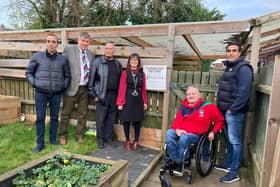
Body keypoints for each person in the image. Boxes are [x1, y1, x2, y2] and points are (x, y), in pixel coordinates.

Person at [26, 34, 71, 153]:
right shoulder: (37, 57)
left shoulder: (63, 59)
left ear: (57, 44)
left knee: (55, 118)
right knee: (40, 118)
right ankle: (40, 144)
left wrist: (63, 87)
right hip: (41, 93)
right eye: (49, 41)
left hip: (56, 94)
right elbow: (29, 72)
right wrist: (35, 83)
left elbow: (67, 76)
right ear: (46, 43)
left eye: (54, 42)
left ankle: (52, 140)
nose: (51, 44)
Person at [215, 41, 253, 184]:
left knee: (235, 141)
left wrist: (232, 109)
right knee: (229, 139)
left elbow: (244, 92)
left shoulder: (243, 68)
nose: (231, 53)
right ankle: (228, 163)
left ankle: (234, 172)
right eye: (229, 50)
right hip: (225, 111)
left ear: (239, 52)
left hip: (234, 113)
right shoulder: (230, 67)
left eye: (234, 50)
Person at [165, 86, 224, 172]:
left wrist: (213, 132)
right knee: (169, 133)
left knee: (184, 138)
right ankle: (176, 160)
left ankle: (178, 161)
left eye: (193, 94)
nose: (191, 96)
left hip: (196, 135)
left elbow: (220, 120)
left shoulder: (208, 107)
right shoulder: (183, 107)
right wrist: (177, 130)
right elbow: (176, 123)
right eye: (188, 94)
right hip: (182, 132)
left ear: (199, 95)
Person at [59, 32, 94, 144]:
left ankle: (79, 135)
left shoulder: (90, 54)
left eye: (87, 41)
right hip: (71, 87)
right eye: (83, 40)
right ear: (78, 40)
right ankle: (63, 136)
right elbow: (62, 66)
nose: (84, 43)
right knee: (66, 113)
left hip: (84, 89)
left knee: (83, 113)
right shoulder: (69, 49)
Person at [88, 42, 122, 149]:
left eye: (111, 48)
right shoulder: (97, 62)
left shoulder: (117, 64)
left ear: (114, 51)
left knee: (111, 118)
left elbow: (120, 80)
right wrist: (94, 96)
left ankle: (108, 137)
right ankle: (100, 139)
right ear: (104, 50)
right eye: (106, 48)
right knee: (101, 119)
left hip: (114, 95)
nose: (108, 50)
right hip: (102, 95)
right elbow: (91, 81)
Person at [116, 53, 148, 151]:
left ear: (138, 62)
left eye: (136, 60)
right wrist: (120, 103)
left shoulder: (142, 74)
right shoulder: (125, 73)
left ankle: (136, 140)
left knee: (137, 121)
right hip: (128, 99)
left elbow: (143, 89)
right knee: (126, 121)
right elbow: (122, 88)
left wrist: (145, 102)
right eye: (132, 60)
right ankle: (127, 140)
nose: (134, 62)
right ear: (129, 62)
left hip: (138, 100)